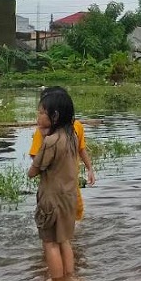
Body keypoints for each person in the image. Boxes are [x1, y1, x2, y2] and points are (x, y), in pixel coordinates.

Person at [28, 89, 80, 281]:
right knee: (64, 241)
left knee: (50, 244)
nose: (38, 116)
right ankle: (71, 279)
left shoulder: (51, 141)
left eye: (42, 112)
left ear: (55, 116)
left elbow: (33, 171)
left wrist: (44, 137)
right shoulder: (72, 137)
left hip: (51, 201)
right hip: (69, 198)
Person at [29, 86, 95, 222]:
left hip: (71, 183)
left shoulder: (76, 127)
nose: (39, 116)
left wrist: (90, 168)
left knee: (76, 214)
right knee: (52, 216)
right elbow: (35, 156)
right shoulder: (42, 133)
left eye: (42, 112)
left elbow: (81, 149)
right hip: (53, 185)